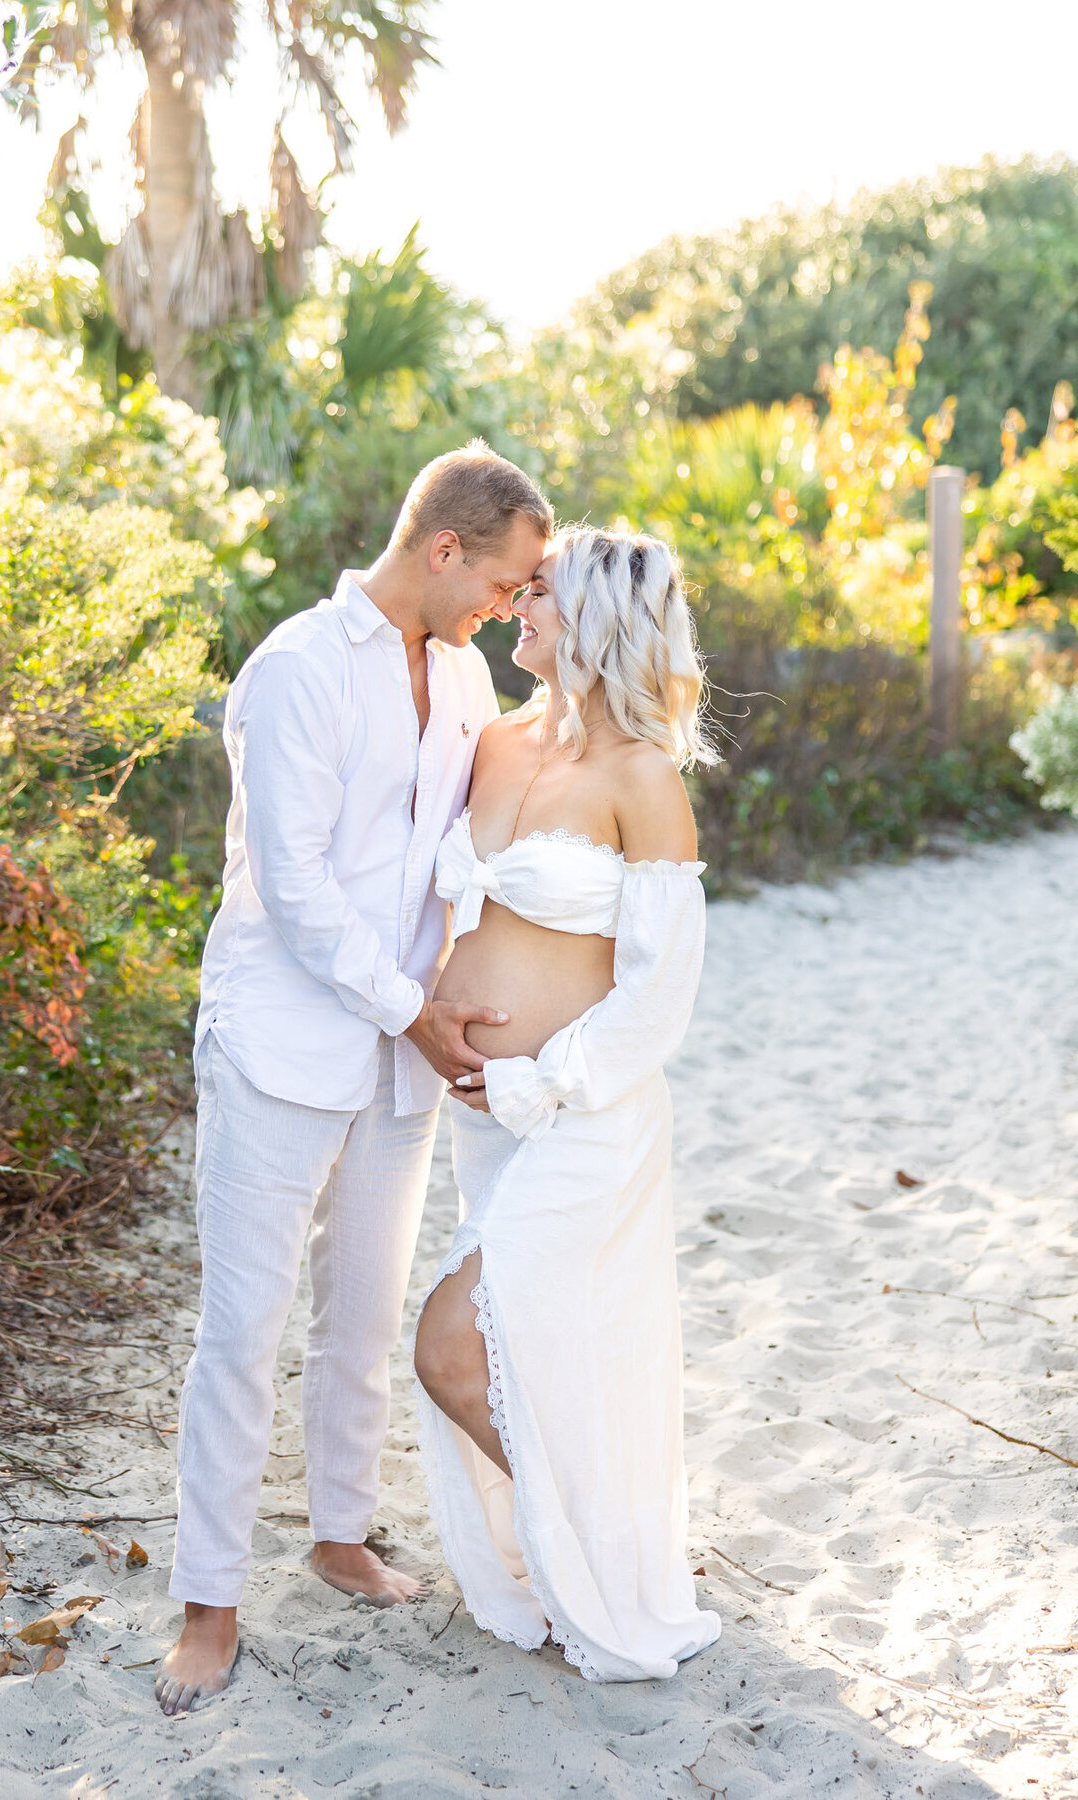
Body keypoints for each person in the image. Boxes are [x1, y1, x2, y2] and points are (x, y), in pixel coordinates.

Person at [155, 443, 553, 1716]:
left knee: (365, 1314)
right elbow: (295, 881)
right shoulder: (295, 670)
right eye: (502, 579)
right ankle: (207, 1602)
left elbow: (464, 857)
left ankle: (337, 1532)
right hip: (282, 1041)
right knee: (243, 1331)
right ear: (444, 549)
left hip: (403, 1062)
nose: (506, 604)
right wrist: (415, 1011)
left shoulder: (467, 679)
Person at [413, 525, 724, 1681]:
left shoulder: (643, 777)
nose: (515, 609)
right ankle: (583, 1562)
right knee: (538, 1350)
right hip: (481, 1125)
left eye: (537, 594)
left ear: (591, 618)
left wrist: (539, 1079)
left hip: (585, 1118)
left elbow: (660, 997)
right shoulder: (492, 744)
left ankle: (595, 1565)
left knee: (451, 1350)